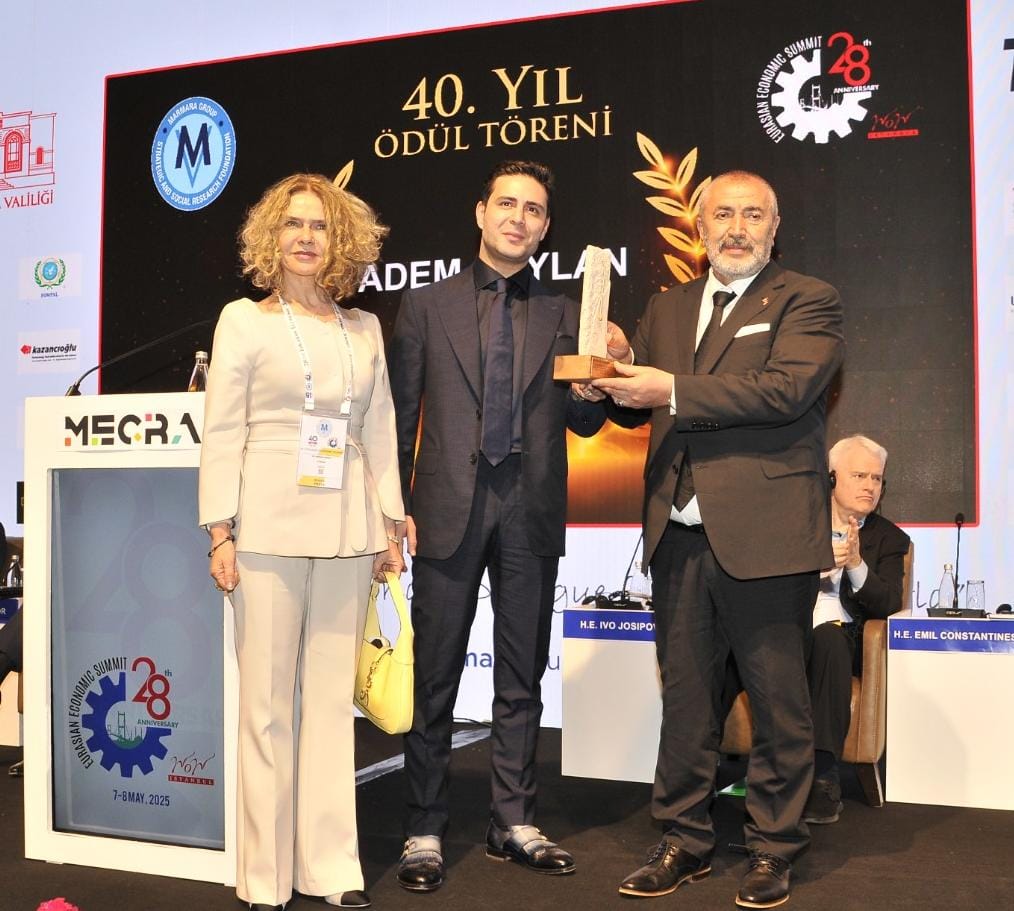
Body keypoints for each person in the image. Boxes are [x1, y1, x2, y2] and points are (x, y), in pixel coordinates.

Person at [592, 170, 844, 908]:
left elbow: (785, 389)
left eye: (753, 215)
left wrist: (667, 388)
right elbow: (631, 400)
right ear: (699, 227)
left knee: (779, 701)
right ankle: (683, 839)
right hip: (677, 536)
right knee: (687, 702)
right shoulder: (667, 306)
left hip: (767, 537)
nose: (737, 228)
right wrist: (604, 371)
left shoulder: (807, 299)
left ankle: (772, 847)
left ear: (774, 227)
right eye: (723, 214)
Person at [388, 160, 613, 892]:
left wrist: (595, 388)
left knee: (521, 675)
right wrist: (392, 509)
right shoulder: (426, 306)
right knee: (434, 678)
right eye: (507, 204)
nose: (519, 218)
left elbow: (583, 420)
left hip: (531, 508)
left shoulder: (564, 313)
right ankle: (424, 826)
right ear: (480, 213)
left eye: (535, 209)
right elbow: (399, 417)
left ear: (546, 227)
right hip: (445, 508)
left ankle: (513, 819)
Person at [199, 173, 405, 911]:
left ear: (341, 239)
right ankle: (263, 877)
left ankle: (330, 867)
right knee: (265, 706)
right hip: (264, 527)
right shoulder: (243, 321)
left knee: (327, 704)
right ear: (271, 237)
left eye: (320, 225)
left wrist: (390, 521)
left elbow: (379, 427)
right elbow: (222, 429)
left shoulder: (364, 328)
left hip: (348, 528)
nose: (307, 237)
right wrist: (219, 530)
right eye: (293, 224)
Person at [803, 434, 910, 824]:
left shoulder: (889, 538)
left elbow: (889, 604)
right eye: (860, 475)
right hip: (788, 628)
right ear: (831, 478)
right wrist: (812, 570)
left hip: (845, 639)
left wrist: (855, 564)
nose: (870, 486)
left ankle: (823, 778)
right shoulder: (798, 522)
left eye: (877, 478)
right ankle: (701, 767)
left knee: (829, 639)